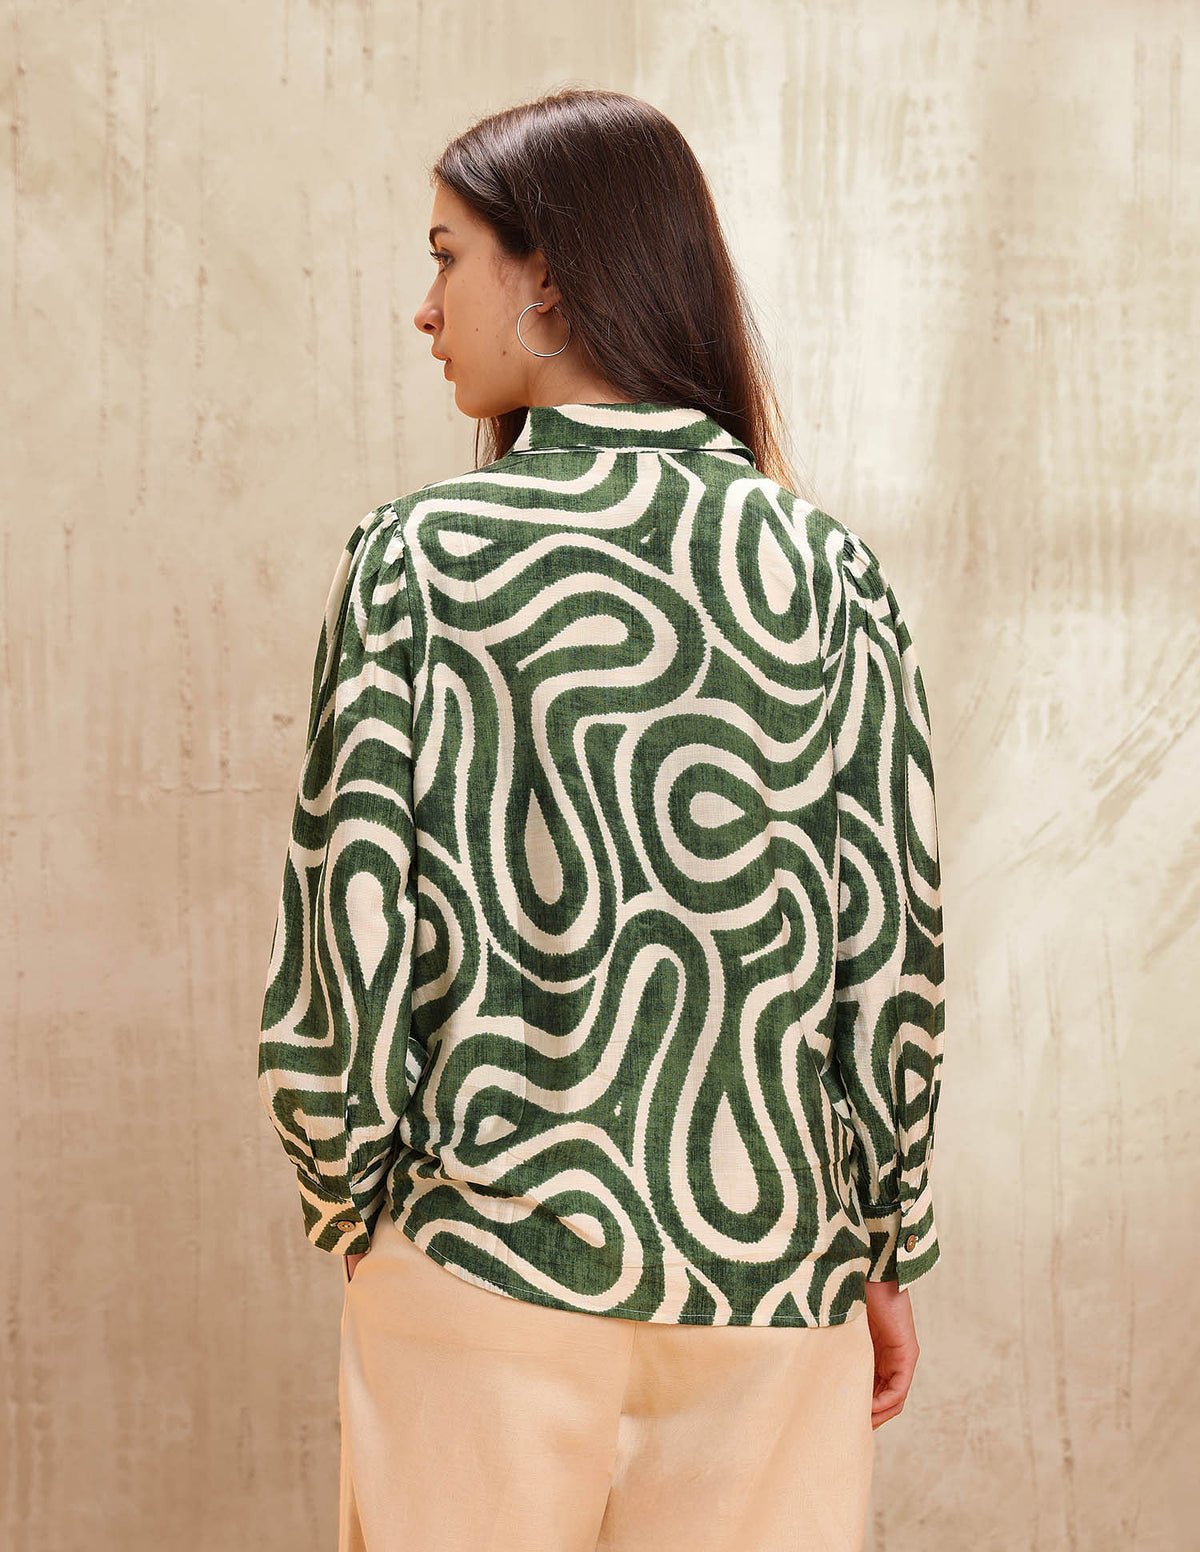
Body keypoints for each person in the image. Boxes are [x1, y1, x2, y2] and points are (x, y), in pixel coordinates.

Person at [257, 87, 946, 1552]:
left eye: (448, 258)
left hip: (479, 1272)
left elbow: (347, 927)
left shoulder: (418, 561)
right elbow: (889, 949)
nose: (426, 310)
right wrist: (883, 1240)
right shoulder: (828, 571)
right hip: (774, 1285)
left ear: (551, 281)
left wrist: (358, 1205)